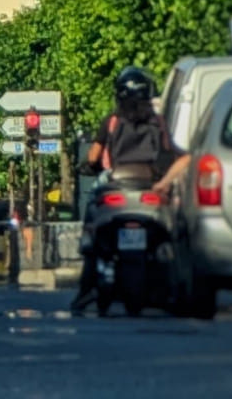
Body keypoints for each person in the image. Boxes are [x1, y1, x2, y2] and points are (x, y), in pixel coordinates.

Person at [71, 65, 186, 313]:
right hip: (151, 187)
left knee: (91, 230)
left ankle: (85, 288)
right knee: (173, 233)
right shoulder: (159, 122)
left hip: (116, 186)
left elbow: (93, 156)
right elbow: (172, 152)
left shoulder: (111, 122)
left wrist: (86, 166)